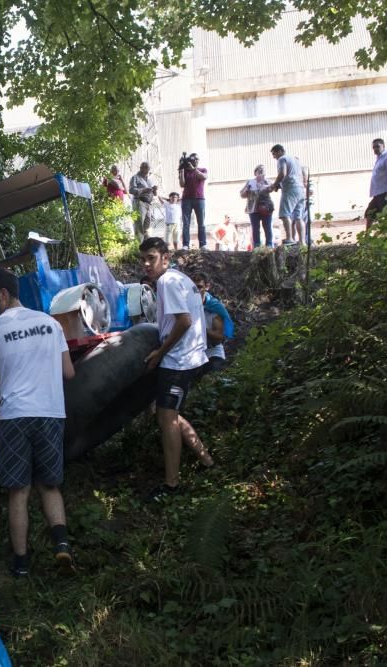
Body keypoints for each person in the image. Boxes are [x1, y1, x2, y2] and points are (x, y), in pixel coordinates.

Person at [0, 269, 76, 577]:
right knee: (50, 485)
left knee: (18, 492)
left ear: (4, 295)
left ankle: (21, 564)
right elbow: (68, 373)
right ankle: (61, 546)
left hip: (15, 415)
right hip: (50, 412)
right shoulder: (51, 324)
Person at [139, 238, 214, 501]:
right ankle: (206, 460)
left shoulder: (167, 282)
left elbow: (184, 321)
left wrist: (160, 353)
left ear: (165, 258)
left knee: (166, 419)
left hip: (178, 361)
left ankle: (172, 486)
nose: (147, 264)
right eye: (144, 259)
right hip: (190, 357)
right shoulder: (180, 278)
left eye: (152, 257)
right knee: (168, 412)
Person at [192, 272, 233, 378]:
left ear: (207, 287)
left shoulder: (214, 307)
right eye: (193, 287)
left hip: (212, 352)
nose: (196, 290)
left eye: (199, 287)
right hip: (192, 352)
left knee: (211, 378)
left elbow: (219, 337)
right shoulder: (186, 305)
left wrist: (201, 329)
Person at [269, 144, 305, 245]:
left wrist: (274, 185)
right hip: (300, 189)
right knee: (298, 216)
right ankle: (302, 241)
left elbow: (283, 174)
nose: (274, 157)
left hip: (290, 189)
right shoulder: (295, 160)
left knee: (284, 214)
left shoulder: (282, 159)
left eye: (274, 154)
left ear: (280, 151)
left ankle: (289, 238)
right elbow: (295, 175)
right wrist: (279, 185)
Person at [365, 138, 387, 229]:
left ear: (383, 146)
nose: (375, 149)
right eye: (374, 147)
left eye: (377, 146)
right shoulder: (379, 159)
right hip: (377, 193)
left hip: (385, 192)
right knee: (369, 213)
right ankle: (367, 237)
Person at [178, 153, 208, 249]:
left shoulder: (202, 169)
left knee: (201, 223)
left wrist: (194, 169)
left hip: (199, 199)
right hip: (186, 199)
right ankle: (185, 244)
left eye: (197, 159)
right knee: (186, 223)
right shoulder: (185, 171)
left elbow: (203, 177)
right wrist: (182, 170)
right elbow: (182, 184)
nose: (195, 161)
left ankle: (203, 244)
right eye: (193, 159)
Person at [240, 165, 274, 248]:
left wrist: (266, 186)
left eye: (262, 170)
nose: (261, 172)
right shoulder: (250, 182)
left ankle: (269, 245)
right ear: (255, 173)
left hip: (265, 207)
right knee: (255, 228)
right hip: (253, 208)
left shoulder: (267, 181)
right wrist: (247, 191)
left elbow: (272, 189)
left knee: (267, 226)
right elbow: (242, 194)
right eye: (259, 170)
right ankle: (257, 246)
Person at [129, 162, 157, 242]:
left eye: (148, 168)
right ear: (141, 168)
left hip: (148, 204)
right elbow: (131, 190)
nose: (147, 170)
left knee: (147, 225)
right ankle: (138, 247)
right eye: (145, 168)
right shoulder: (135, 177)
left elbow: (154, 194)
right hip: (139, 202)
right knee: (139, 225)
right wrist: (144, 190)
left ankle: (145, 246)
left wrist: (155, 190)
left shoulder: (150, 180)